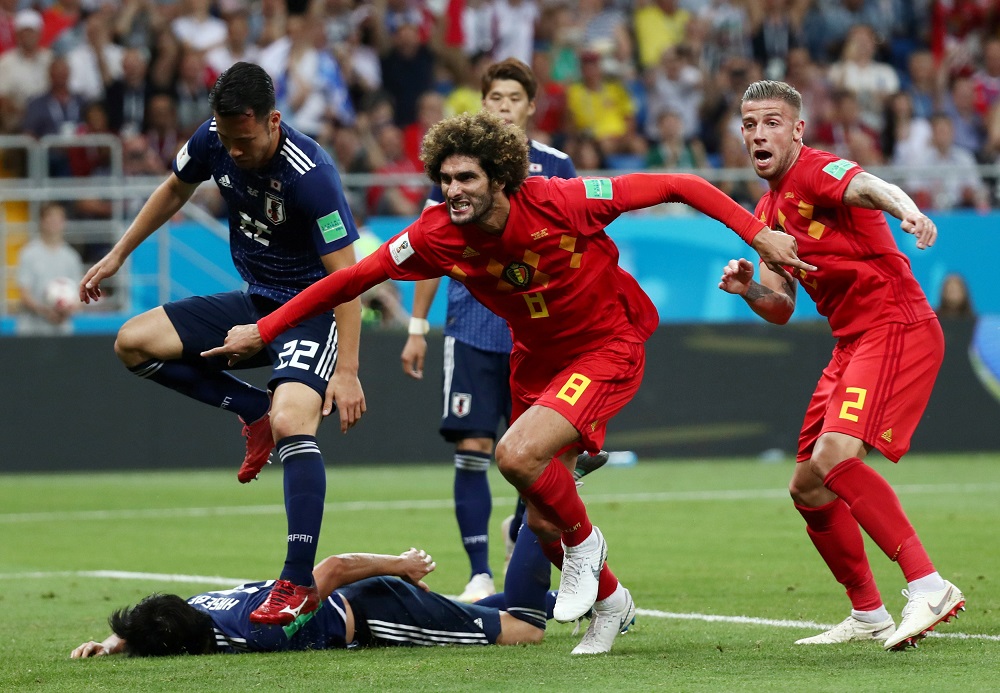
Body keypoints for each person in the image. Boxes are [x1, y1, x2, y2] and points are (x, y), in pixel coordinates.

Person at [202, 109, 809, 654]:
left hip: (606, 344)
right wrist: (268, 328)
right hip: (538, 362)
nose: (452, 190)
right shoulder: (438, 233)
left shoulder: (564, 200)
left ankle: (586, 545)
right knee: (539, 519)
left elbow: (680, 183)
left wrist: (757, 235)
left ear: (500, 176)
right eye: (444, 179)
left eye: (466, 178)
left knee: (515, 455)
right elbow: (351, 280)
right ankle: (611, 603)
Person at [78, 62, 366, 628]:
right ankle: (248, 406)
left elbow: (348, 283)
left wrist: (349, 370)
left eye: (245, 140)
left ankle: (295, 580)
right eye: (226, 139)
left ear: (273, 121)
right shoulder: (213, 138)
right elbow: (172, 189)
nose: (233, 152)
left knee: (293, 423)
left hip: (309, 313)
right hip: (255, 300)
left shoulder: (313, 178)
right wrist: (118, 255)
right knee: (132, 342)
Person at [719, 79, 966, 651]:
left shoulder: (816, 170)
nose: (759, 133)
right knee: (807, 486)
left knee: (834, 457)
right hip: (851, 343)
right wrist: (749, 289)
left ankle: (928, 584)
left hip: (895, 327)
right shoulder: (766, 210)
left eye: (772, 122)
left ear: (797, 129)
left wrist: (909, 212)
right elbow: (781, 307)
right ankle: (869, 614)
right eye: (750, 123)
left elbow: (872, 187)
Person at [399, 57, 587, 604]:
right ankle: (479, 572)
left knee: (531, 454)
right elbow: (427, 248)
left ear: (530, 106)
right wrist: (416, 326)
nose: (504, 107)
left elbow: (581, 239)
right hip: (473, 327)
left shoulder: (556, 165)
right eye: (495, 98)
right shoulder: (459, 167)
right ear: (483, 103)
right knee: (475, 445)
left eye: (513, 98)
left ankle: (521, 549)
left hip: (540, 334)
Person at [70, 548, 548, 657]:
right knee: (483, 613)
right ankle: (573, 598)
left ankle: (544, 494)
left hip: (379, 611)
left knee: (525, 630)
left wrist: (399, 564)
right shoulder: (197, 607)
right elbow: (153, 620)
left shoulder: (264, 630)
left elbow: (333, 567)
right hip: (361, 602)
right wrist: (111, 643)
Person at [16, 202, 84, 336]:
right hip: (31, 330)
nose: (54, 223)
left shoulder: (71, 257)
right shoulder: (28, 254)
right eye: (50, 218)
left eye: (58, 219)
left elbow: (79, 294)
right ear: (42, 221)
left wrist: (68, 309)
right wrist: (45, 311)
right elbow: (24, 293)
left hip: (62, 329)